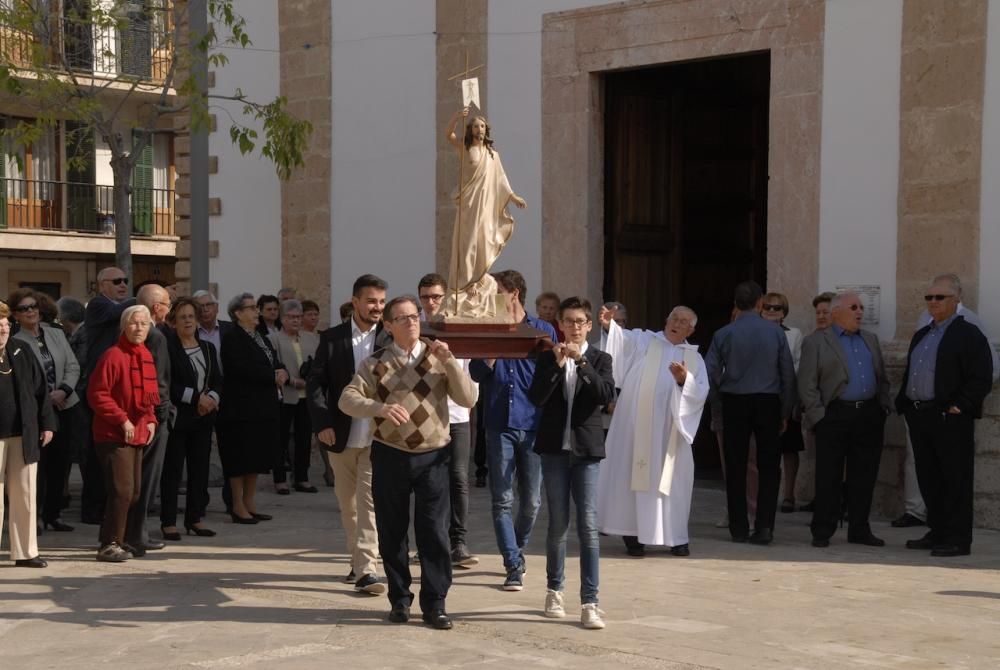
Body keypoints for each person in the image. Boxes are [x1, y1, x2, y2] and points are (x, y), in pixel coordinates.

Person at [340, 295, 478, 630]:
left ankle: (436, 604)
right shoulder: (375, 362)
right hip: (390, 454)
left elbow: (468, 398)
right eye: (402, 318)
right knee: (392, 533)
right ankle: (400, 601)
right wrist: (379, 408)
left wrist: (451, 365)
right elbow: (348, 399)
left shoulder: (439, 357)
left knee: (434, 534)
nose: (411, 322)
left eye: (414, 316)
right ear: (387, 325)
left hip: (434, 456)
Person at [528, 297, 615, 629]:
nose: (575, 327)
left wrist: (581, 363)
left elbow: (605, 395)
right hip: (554, 450)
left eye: (580, 321)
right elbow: (536, 397)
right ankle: (554, 590)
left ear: (589, 325)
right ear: (559, 325)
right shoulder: (546, 358)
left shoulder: (600, 358)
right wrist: (557, 365)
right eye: (569, 321)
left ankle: (590, 601)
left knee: (588, 527)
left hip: (586, 451)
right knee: (558, 525)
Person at [597, 305, 709, 558]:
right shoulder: (645, 340)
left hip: (670, 433)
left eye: (683, 322)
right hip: (636, 429)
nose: (677, 323)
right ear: (666, 320)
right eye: (674, 318)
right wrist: (608, 326)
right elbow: (620, 342)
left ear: (691, 329)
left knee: (671, 482)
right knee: (634, 477)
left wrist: (684, 380)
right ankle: (633, 535)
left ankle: (675, 537)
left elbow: (700, 392)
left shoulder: (694, 357)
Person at [470, 269, 557, 590]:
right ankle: (512, 562)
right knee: (502, 499)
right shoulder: (487, 328)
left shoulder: (543, 330)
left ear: (514, 294)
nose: (490, 299)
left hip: (533, 424)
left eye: (496, 292)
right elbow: (477, 374)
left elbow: (553, 375)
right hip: (498, 424)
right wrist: (490, 355)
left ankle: (516, 550)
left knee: (532, 501)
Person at [893, 273, 1000, 529]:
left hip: (949, 417)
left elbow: (982, 374)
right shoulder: (923, 333)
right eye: (929, 297)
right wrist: (905, 404)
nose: (933, 302)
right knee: (929, 479)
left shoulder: (968, 332)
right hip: (921, 416)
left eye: (939, 297)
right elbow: (914, 371)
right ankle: (937, 532)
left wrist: (960, 405)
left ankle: (956, 538)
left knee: (954, 479)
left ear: (956, 299)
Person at [306, 274, 391, 595]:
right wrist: (322, 424)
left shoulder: (390, 337)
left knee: (368, 503)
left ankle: (367, 569)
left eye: (382, 302)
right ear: (355, 302)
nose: (377, 308)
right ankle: (358, 562)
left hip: (379, 437)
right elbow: (316, 384)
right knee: (348, 505)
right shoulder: (332, 339)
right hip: (339, 436)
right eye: (371, 301)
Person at [705, 280, 796, 545]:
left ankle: (739, 527)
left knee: (735, 465)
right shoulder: (776, 334)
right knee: (769, 466)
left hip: (734, 401)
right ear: (759, 303)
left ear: (736, 304)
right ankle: (765, 527)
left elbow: (710, 372)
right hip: (767, 402)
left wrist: (718, 402)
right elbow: (787, 374)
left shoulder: (723, 334)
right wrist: (785, 409)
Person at [798, 291, 891, 548]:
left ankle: (859, 529)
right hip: (835, 415)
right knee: (829, 474)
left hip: (869, 414)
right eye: (854, 307)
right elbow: (807, 384)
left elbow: (882, 377)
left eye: (861, 307)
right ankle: (823, 529)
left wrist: (883, 406)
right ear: (836, 312)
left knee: (865, 474)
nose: (860, 312)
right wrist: (819, 417)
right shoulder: (817, 342)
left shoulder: (870, 339)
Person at [87, 305, 159, 562]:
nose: (139, 328)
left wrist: (150, 420)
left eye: (144, 323)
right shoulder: (113, 355)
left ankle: (120, 538)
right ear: (124, 326)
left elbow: (149, 399)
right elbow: (97, 395)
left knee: (135, 491)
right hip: (112, 434)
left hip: (137, 433)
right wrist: (123, 420)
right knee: (122, 490)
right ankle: (109, 544)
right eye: (134, 323)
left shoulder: (145, 355)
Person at [418, 273, 480, 567]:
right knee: (427, 480)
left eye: (436, 297)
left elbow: (469, 369)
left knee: (458, 478)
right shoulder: (413, 325)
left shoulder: (458, 325)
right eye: (425, 297)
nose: (430, 302)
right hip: (425, 416)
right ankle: (429, 540)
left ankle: (459, 541)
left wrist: (470, 400)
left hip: (456, 414)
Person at [444, 107, 527, 317]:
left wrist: (512, 196)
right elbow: (448, 135)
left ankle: (478, 279)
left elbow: (501, 180)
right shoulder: (465, 148)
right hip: (469, 205)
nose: (478, 129)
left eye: (482, 126)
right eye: (474, 126)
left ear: (486, 130)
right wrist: (457, 116)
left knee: (483, 241)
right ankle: (464, 284)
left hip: (486, 207)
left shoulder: (493, 155)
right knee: (467, 243)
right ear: (470, 130)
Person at [10, 289, 80, 533]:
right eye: (24, 309)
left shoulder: (56, 333)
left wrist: (63, 391)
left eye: (33, 306)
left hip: (65, 406)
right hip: (37, 413)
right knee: (38, 467)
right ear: (16, 315)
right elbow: (22, 380)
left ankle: (54, 514)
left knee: (61, 465)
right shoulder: (15, 341)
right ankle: (36, 516)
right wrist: (46, 401)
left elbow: (72, 365)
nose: (31, 311)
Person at [218, 293, 287, 524]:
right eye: (250, 308)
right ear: (238, 313)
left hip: (263, 407)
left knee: (256, 458)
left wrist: (282, 371)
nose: (256, 312)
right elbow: (240, 369)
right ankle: (237, 505)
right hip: (241, 409)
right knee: (240, 458)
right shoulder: (232, 338)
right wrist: (272, 375)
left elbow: (273, 361)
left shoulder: (261, 336)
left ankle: (250, 502)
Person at [160, 298, 222, 540]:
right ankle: (168, 521)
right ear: (173, 322)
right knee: (173, 471)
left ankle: (195, 518)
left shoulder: (208, 348)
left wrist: (212, 398)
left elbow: (217, 379)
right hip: (180, 418)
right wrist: (196, 398)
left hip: (204, 418)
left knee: (200, 469)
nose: (188, 321)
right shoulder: (169, 348)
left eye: (191, 316)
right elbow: (169, 382)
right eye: (182, 317)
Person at [0, 300, 56, 567]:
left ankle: (25, 552)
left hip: (23, 434)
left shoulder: (21, 350)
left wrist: (47, 424)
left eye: (4, 324)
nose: (2, 329)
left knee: (25, 493)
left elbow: (40, 391)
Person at [80, 266, 136, 524]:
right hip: (100, 385)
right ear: (102, 285)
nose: (123, 285)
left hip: (117, 385)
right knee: (97, 453)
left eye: (125, 281)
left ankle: (107, 505)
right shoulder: (98, 305)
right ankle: (92, 509)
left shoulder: (117, 306)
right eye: (117, 281)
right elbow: (119, 312)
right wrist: (144, 297)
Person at [123, 284, 173, 557]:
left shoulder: (146, 334)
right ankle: (136, 535)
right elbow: (158, 382)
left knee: (139, 479)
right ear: (157, 307)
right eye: (167, 304)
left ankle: (135, 532)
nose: (169, 309)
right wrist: (163, 415)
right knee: (145, 479)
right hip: (151, 418)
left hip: (144, 417)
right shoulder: (155, 336)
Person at [759, 292, 804, 513]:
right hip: (762, 396)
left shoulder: (793, 334)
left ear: (784, 312)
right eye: (767, 306)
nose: (771, 311)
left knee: (789, 447)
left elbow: (797, 365)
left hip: (784, 396)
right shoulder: (755, 333)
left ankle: (789, 494)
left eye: (777, 308)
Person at [269, 299, 319, 494]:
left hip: (307, 396)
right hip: (285, 395)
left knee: (304, 438)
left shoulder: (311, 338)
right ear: (282, 319)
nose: (296, 321)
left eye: (298, 317)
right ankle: (280, 479)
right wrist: (291, 380)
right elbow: (274, 366)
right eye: (291, 317)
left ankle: (302, 478)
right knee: (280, 439)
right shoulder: (273, 339)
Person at [193, 290, 233, 370]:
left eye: (208, 305)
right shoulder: (192, 332)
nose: (205, 309)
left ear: (216, 307)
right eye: (200, 306)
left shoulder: (231, 329)